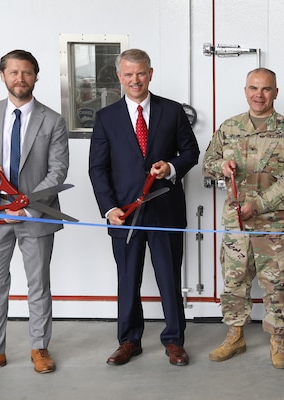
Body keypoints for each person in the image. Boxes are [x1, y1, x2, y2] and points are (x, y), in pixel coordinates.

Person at [0, 49, 69, 376]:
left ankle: (39, 347)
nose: (20, 79)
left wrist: (27, 200)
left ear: (36, 76)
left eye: (27, 73)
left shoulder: (53, 120)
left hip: (36, 213)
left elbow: (57, 171)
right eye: (14, 73)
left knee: (38, 285)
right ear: (3, 76)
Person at [89, 49, 199, 367]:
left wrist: (172, 168)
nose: (135, 80)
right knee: (128, 278)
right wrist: (109, 208)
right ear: (119, 77)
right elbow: (97, 168)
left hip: (165, 209)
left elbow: (190, 151)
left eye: (140, 73)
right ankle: (128, 341)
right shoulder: (106, 117)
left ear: (150, 73)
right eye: (128, 74)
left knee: (168, 277)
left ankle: (174, 341)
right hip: (124, 214)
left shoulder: (172, 110)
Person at [203, 68, 284, 369]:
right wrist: (221, 165)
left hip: (274, 225)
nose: (258, 95)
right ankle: (235, 336)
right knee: (234, 282)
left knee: (278, 285)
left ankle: (278, 341)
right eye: (253, 88)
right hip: (236, 225)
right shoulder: (230, 127)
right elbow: (207, 165)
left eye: (265, 89)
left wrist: (258, 205)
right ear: (245, 90)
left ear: (276, 92)